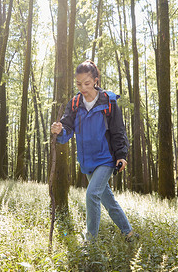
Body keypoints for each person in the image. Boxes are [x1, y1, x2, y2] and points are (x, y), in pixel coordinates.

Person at [51, 60, 137, 242]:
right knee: (108, 200)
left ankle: (90, 243)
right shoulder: (74, 104)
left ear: (96, 81)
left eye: (87, 83)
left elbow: (118, 131)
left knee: (91, 195)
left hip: (106, 158)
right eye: (79, 84)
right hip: (87, 161)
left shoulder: (109, 102)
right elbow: (67, 130)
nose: (82, 87)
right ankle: (128, 233)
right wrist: (59, 131)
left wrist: (122, 155)